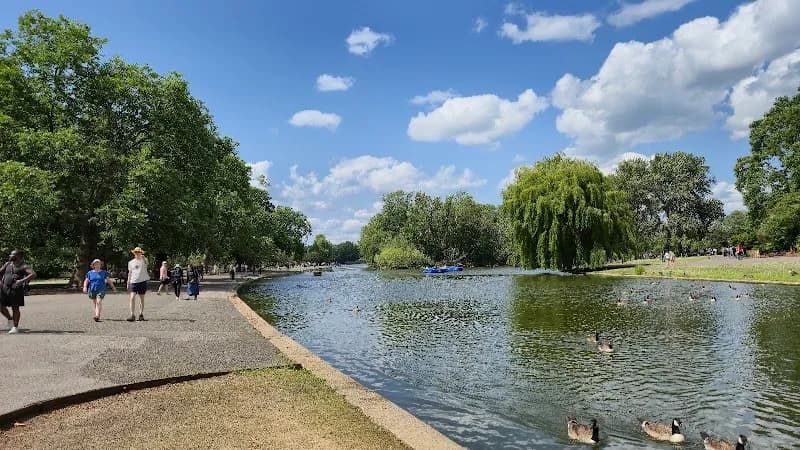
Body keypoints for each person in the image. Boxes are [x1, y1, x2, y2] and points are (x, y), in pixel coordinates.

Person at [0, 250, 36, 334]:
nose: (10, 255)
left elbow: (33, 274)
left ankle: (15, 327)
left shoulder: (24, 266)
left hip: (16, 290)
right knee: (0, 306)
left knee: (15, 308)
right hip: (4, 289)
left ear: (18, 256)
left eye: (12, 254)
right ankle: (10, 319)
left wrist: (21, 281)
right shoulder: (7, 264)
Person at [126, 247, 149, 321]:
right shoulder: (131, 262)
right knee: (132, 297)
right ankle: (132, 314)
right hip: (133, 281)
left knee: (141, 299)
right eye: (136, 252)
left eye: (139, 252)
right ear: (134, 253)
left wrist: (143, 257)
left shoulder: (144, 260)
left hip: (142, 281)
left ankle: (141, 314)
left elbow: (146, 262)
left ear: (141, 253)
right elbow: (130, 273)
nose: (137, 253)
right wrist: (128, 282)